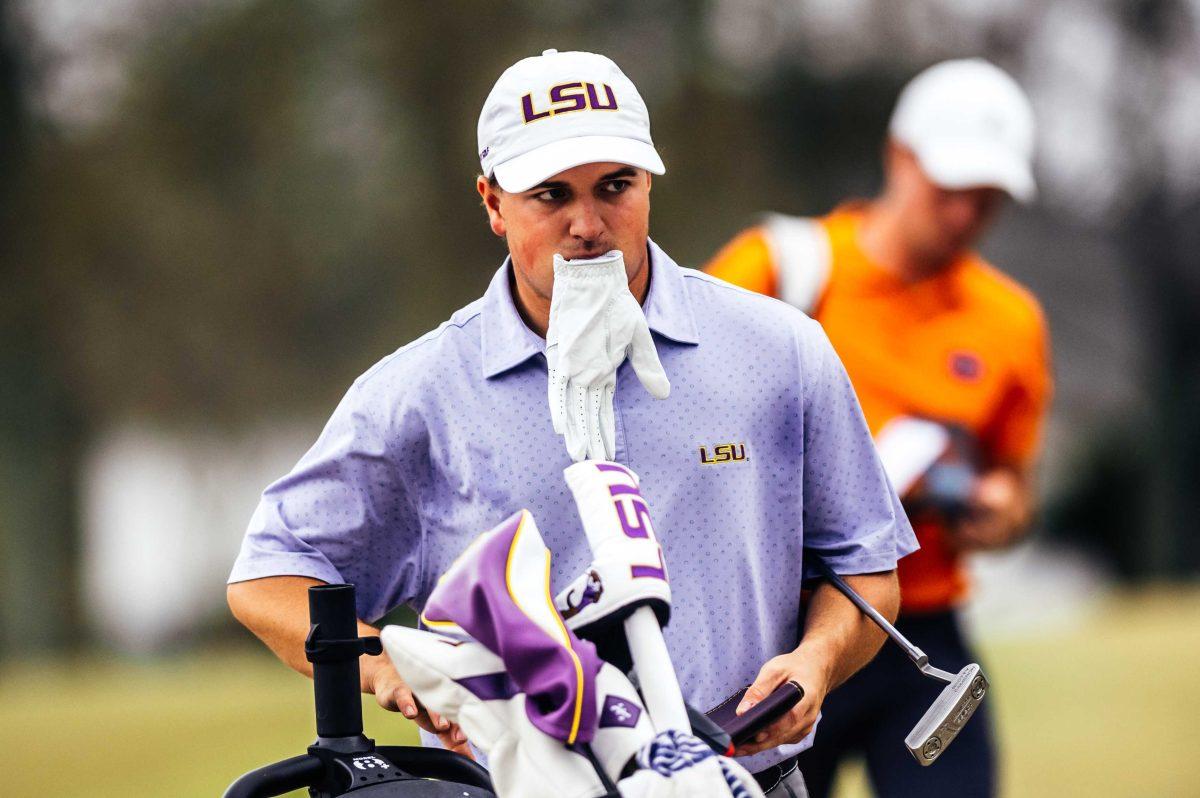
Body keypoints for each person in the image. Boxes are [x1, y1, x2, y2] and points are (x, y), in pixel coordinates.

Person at [227, 48, 918, 797]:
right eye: (550, 195)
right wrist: (391, 669)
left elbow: (866, 571)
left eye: (615, 186)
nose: (588, 224)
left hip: (746, 781)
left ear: (649, 182)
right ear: (493, 204)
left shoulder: (779, 350)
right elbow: (269, 578)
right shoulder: (422, 391)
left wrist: (816, 660)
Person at [703, 59, 1053, 798]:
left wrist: (997, 512)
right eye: (951, 189)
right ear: (900, 156)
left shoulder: (1011, 321)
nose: (964, 215)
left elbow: (1016, 485)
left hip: (923, 630)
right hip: (785, 629)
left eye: (986, 201)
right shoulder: (778, 269)